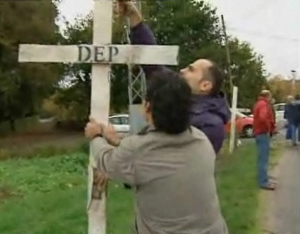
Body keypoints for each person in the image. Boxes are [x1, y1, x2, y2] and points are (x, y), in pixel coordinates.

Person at [85, 70, 228, 234]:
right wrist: (119, 143)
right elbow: (156, 159)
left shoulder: (137, 151)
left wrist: (96, 136)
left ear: (147, 108)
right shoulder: (201, 141)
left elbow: (108, 162)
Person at [116, 0, 230, 154]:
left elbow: (166, 157)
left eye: (191, 70)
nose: (182, 70)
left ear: (205, 85)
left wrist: (116, 147)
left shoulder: (210, 126)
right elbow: (153, 63)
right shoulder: (177, 95)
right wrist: (135, 19)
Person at [253, 90, 276, 190]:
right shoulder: (263, 105)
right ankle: (263, 182)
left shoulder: (258, 103)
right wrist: (269, 127)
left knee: (262, 157)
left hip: (259, 132)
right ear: (268, 96)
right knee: (263, 158)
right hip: (262, 132)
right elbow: (263, 117)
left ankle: (264, 177)